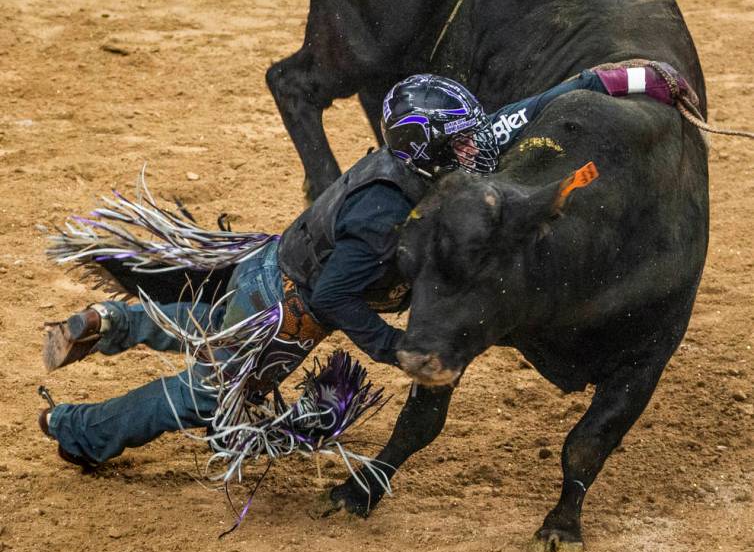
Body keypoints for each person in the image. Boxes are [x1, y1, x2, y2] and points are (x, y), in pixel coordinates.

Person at [40, 60, 694, 469]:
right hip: (287, 305)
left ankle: (116, 323)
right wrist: (395, 347)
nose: (478, 144)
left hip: (272, 266)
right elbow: (333, 295)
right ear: (435, 150)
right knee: (207, 394)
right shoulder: (382, 216)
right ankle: (77, 431)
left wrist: (626, 80)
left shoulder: (434, 163)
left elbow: (529, 108)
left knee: (209, 317)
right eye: (463, 138)